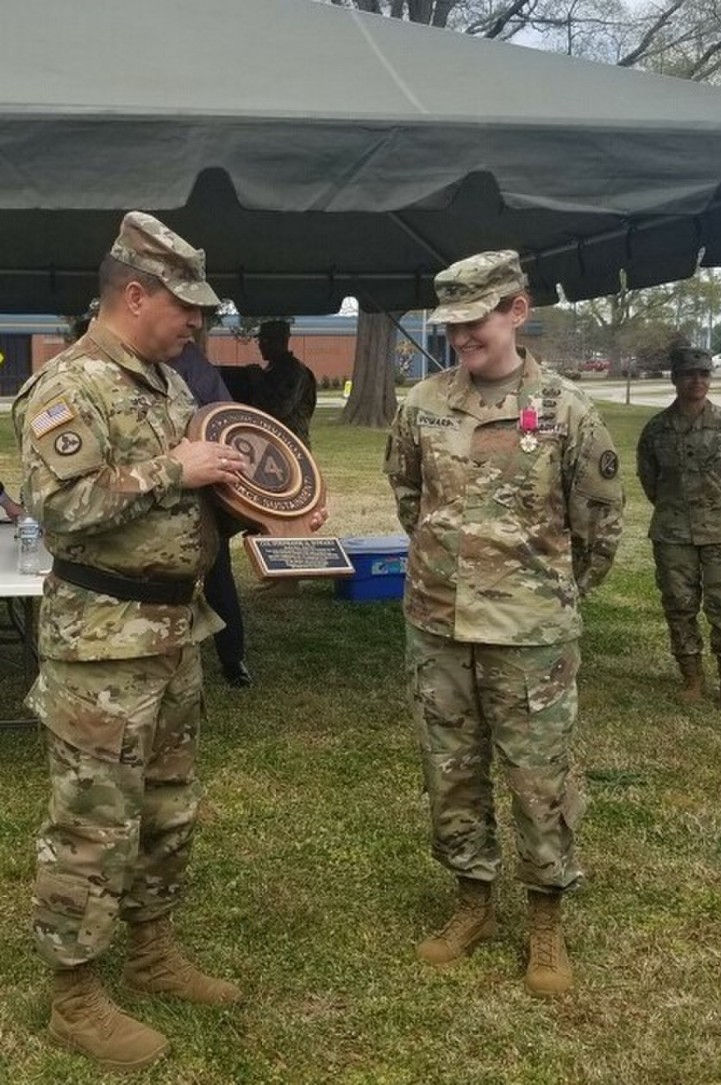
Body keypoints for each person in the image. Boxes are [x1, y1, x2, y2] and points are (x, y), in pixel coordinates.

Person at [14, 212, 323, 1070]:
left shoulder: (167, 385)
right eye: (186, 307)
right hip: (101, 646)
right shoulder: (67, 387)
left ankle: (150, 952)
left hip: (175, 629)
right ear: (135, 293)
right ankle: (74, 995)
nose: (199, 323)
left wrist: (273, 500)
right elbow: (64, 508)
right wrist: (169, 471)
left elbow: (205, 489)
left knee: (166, 808)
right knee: (91, 823)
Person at [384, 250, 624, 997]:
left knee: (537, 780)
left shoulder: (565, 409)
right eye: (451, 325)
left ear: (517, 310)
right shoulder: (421, 403)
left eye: (475, 321)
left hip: (531, 636)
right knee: (450, 771)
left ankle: (545, 917)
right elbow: (408, 496)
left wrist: (550, 593)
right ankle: (473, 900)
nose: (461, 337)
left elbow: (600, 522)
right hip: (437, 627)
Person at [636, 345, 721, 709]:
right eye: (689, 374)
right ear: (675, 378)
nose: (697, 381)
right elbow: (649, 479)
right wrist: (676, 510)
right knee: (679, 605)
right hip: (674, 533)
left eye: (704, 374)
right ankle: (691, 678)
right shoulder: (657, 429)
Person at [171, 330, 253, 687]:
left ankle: (232, 659)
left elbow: (226, 418)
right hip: (149, 501)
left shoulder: (189, 361)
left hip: (199, 497)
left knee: (218, 575)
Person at [252, 318, 318, 447]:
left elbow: (280, 409)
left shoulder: (293, 371)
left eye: (265, 341)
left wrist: (257, 380)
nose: (260, 345)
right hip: (273, 441)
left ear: (282, 341)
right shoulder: (274, 368)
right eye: (259, 341)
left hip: (291, 443)